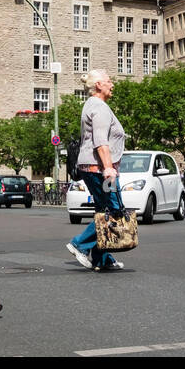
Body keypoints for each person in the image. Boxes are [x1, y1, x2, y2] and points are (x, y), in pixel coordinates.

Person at [67, 70, 128, 271]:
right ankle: (79, 244)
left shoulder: (92, 105)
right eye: (109, 81)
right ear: (99, 85)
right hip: (99, 168)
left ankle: (102, 259)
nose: (112, 84)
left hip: (93, 167)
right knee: (112, 211)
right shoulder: (99, 108)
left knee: (103, 209)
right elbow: (101, 142)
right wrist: (109, 168)